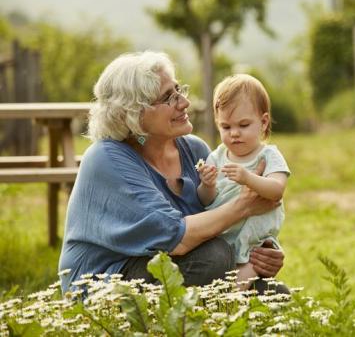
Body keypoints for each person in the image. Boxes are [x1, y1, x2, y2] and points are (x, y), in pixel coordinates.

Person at [58, 51, 285, 294]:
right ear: (134, 113)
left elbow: (219, 218)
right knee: (214, 257)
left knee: (273, 293)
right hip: (108, 281)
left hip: (174, 266)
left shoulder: (194, 149)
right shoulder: (106, 158)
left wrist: (262, 251)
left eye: (179, 90)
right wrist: (246, 205)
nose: (184, 102)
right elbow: (176, 238)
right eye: (168, 97)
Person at [197, 73, 290, 290]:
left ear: (263, 122)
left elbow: (276, 190)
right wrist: (207, 185)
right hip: (224, 233)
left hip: (254, 239)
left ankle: (230, 304)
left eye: (244, 125)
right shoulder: (216, 156)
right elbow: (205, 200)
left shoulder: (268, 156)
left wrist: (249, 178)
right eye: (226, 127)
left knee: (237, 285)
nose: (235, 134)